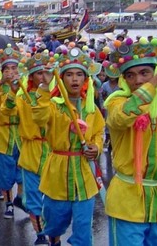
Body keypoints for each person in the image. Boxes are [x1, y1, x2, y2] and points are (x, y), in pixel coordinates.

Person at [32, 47, 104, 246]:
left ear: (85, 79)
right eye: (70, 74)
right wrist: (45, 89)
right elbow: (38, 117)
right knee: (54, 223)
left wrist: (96, 148)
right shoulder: (53, 105)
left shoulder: (91, 107)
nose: (74, 79)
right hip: (58, 173)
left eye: (79, 74)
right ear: (62, 79)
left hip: (84, 174)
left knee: (83, 231)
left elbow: (99, 132)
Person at [104, 38, 157, 245]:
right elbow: (122, 117)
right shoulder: (117, 102)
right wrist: (153, 83)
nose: (138, 80)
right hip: (127, 201)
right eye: (130, 75)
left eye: (145, 73)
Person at [4, 51, 51, 245]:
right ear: (31, 76)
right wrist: (13, 92)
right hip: (31, 149)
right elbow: (7, 110)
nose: (42, 77)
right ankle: (40, 235)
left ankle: (51, 233)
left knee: (51, 198)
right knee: (33, 197)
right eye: (38, 74)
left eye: (45, 73)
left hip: (51, 150)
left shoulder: (54, 97)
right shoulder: (22, 97)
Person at [0, 47, 24, 219]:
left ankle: (19, 198)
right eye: (7, 69)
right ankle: (9, 203)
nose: (11, 72)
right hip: (2, 135)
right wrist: (2, 83)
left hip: (21, 134)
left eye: (14, 69)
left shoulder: (23, 88)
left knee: (22, 171)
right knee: (4, 173)